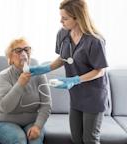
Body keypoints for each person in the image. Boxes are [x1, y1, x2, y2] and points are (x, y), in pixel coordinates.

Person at [30, 0, 109, 144]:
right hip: (76, 95)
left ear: (78, 17)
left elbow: (100, 71)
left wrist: (75, 79)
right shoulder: (63, 33)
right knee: (76, 139)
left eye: (65, 18)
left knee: (90, 140)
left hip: (94, 96)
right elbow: (64, 57)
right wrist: (47, 68)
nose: (61, 21)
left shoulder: (95, 40)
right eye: (61, 17)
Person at [0, 37, 52, 144]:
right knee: (19, 140)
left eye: (26, 50)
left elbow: (46, 104)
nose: (23, 54)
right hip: (4, 121)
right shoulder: (4, 76)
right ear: (10, 56)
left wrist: (37, 126)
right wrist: (20, 84)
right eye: (18, 51)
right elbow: (6, 107)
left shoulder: (39, 75)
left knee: (35, 142)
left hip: (32, 122)